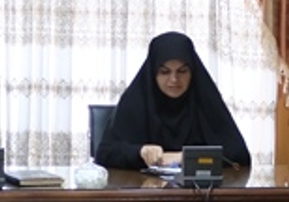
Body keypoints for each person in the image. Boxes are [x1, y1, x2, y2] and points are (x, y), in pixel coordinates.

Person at [94, 31, 249, 171]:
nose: (174, 79)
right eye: (165, 72)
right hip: (144, 191)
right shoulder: (135, 102)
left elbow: (239, 154)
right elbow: (105, 154)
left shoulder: (205, 101)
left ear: (192, 72)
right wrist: (140, 151)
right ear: (153, 73)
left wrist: (185, 156)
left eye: (182, 71)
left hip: (199, 192)